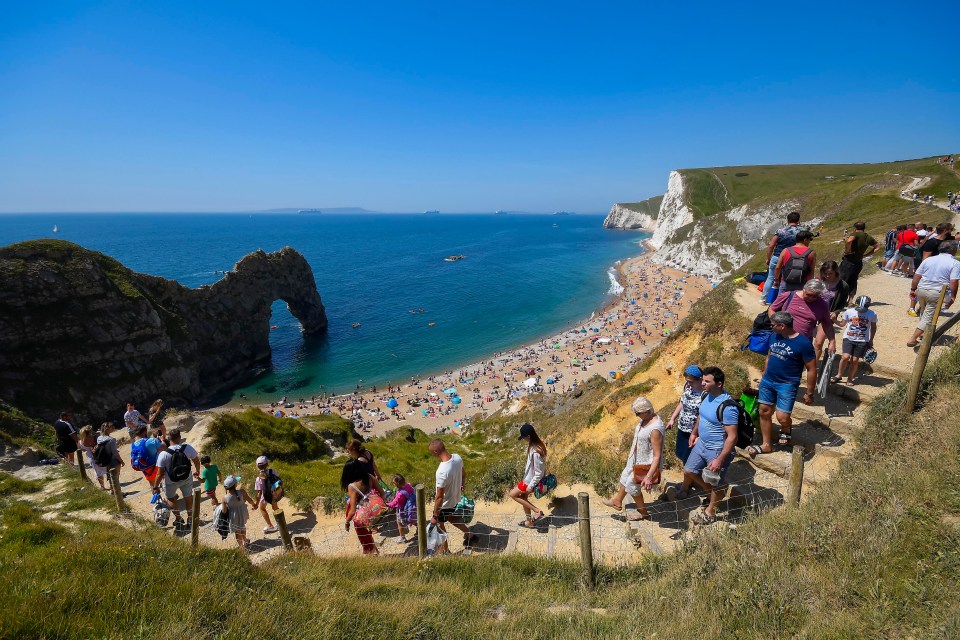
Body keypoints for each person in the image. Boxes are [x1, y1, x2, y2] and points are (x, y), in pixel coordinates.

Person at [668, 367, 738, 525]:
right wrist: (694, 432)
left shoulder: (728, 407)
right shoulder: (706, 395)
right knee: (689, 470)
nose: (703, 383)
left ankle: (709, 512)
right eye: (703, 380)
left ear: (719, 384)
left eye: (707, 381)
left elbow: (732, 437)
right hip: (702, 443)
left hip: (717, 448)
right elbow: (701, 416)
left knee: (715, 481)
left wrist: (720, 459)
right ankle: (713, 493)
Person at [747, 312, 816, 457]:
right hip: (768, 381)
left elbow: (811, 369)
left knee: (782, 417)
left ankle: (786, 427)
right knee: (764, 411)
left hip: (787, 384)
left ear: (782, 325)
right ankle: (766, 445)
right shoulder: (775, 336)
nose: (771, 328)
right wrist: (764, 374)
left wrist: (809, 392)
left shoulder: (803, 344)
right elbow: (769, 355)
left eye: (773, 325)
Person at [602, 397, 665, 521]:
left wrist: (648, 476)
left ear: (647, 411)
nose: (636, 416)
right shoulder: (646, 419)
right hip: (636, 458)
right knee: (625, 476)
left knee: (632, 485)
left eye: (638, 413)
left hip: (646, 464)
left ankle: (643, 513)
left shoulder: (655, 429)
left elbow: (657, 455)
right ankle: (617, 500)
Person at [907, 240, 960, 347]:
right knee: (929, 316)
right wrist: (953, 296)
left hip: (921, 289)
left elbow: (917, 276)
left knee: (924, 312)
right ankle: (913, 339)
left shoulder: (928, 260)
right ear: (953, 250)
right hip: (937, 292)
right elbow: (953, 281)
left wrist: (913, 289)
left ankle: (924, 333)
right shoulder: (955, 263)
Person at [428, 439, 476, 552]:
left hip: (444, 504)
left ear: (435, 452)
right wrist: (462, 484)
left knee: (440, 526)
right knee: (451, 517)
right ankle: (469, 534)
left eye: (431, 453)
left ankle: (446, 551)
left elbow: (439, 497)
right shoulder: (457, 457)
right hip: (455, 499)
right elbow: (464, 473)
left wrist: (435, 515)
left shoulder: (441, 471)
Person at [769, 279, 836, 354]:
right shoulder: (789, 296)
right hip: (781, 339)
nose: (811, 298)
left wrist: (832, 341)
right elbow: (772, 309)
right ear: (804, 288)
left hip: (802, 343)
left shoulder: (822, 305)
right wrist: (776, 324)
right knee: (775, 363)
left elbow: (827, 324)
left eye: (815, 296)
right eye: (809, 295)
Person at [153, 427, 201, 528]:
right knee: (188, 498)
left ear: (168, 439)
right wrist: (197, 471)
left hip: (170, 481)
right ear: (179, 437)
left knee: (171, 498)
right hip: (186, 478)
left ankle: (178, 519)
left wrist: (155, 486)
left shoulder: (163, 454)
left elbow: (160, 473)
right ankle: (190, 519)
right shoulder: (187, 448)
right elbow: (196, 460)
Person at [762, 212, 809, 303]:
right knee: (785, 280)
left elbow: (771, 245)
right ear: (798, 220)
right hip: (792, 258)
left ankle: (764, 299)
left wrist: (768, 258)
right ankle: (781, 301)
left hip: (777, 256)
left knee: (771, 277)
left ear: (788, 220)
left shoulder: (780, 231)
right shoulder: (802, 232)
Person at [831, 296, 878, 386]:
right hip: (848, 338)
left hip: (862, 340)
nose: (861, 311)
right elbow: (842, 324)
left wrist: (871, 339)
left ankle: (850, 378)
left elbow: (873, 327)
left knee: (855, 360)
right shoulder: (849, 312)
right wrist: (834, 320)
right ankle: (839, 375)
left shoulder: (872, 314)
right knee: (845, 357)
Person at [508, 423, 547, 528]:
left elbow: (538, 472)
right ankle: (529, 522)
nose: (524, 440)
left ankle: (537, 511)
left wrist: (530, 486)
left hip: (530, 481)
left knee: (512, 494)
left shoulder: (535, 452)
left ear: (528, 436)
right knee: (523, 497)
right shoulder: (538, 445)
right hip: (529, 479)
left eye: (524, 437)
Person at [341, 458, 383, 555]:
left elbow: (352, 510)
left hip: (361, 517)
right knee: (369, 535)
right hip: (372, 513)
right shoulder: (370, 477)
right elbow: (382, 493)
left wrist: (347, 522)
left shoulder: (352, 486)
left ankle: (372, 558)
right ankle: (375, 552)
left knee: (365, 540)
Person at [665, 365, 704, 464]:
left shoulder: (705, 394)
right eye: (687, 381)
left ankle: (691, 476)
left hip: (694, 431)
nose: (689, 383)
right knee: (681, 453)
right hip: (682, 427)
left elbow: (702, 415)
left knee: (690, 456)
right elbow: (682, 403)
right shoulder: (688, 388)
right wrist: (672, 419)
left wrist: (695, 433)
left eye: (691, 381)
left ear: (700, 379)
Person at [813, 262, 850, 360]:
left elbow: (842, 303)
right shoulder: (818, 282)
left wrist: (836, 312)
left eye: (830, 273)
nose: (827, 276)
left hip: (828, 314)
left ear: (836, 272)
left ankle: (812, 367)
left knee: (818, 342)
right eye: (825, 273)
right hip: (812, 312)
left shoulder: (843, 285)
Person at [839, 221, 878, 302]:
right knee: (853, 280)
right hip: (859, 261)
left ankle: (840, 300)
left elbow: (849, 241)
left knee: (843, 279)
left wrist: (847, 251)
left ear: (855, 228)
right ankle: (850, 300)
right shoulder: (868, 237)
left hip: (849, 260)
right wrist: (866, 255)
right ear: (864, 228)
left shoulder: (855, 234)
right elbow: (877, 247)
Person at [221, 475, 258, 550]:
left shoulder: (224, 498)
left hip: (233, 516)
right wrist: (254, 505)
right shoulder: (242, 491)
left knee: (237, 531)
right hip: (242, 513)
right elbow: (249, 500)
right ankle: (245, 540)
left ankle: (241, 547)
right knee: (242, 526)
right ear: (235, 484)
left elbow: (224, 511)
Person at [254, 456, 283, 534]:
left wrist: (256, 504)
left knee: (262, 508)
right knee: (275, 507)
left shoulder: (258, 478)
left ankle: (270, 526)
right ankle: (282, 523)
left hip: (265, 495)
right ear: (267, 464)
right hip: (274, 493)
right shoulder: (272, 471)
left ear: (257, 466)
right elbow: (278, 479)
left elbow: (259, 492)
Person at [384, 474, 417, 540]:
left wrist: (385, 504)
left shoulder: (400, 494)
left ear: (397, 483)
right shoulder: (408, 485)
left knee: (400, 523)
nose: (393, 484)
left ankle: (402, 537)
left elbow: (393, 504)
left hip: (402, 510)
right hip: (410, 507)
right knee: (413, 520)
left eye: (394, 483)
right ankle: (420, 529)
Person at [77, 425, 108, 490]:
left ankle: (102, 486)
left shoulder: (81, 441)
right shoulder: (95, 436)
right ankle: (112, 483)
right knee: (107, 468)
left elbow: (83, 449)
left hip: (90, 456)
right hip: (99, 454)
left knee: (98, 472)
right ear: (90, 430)